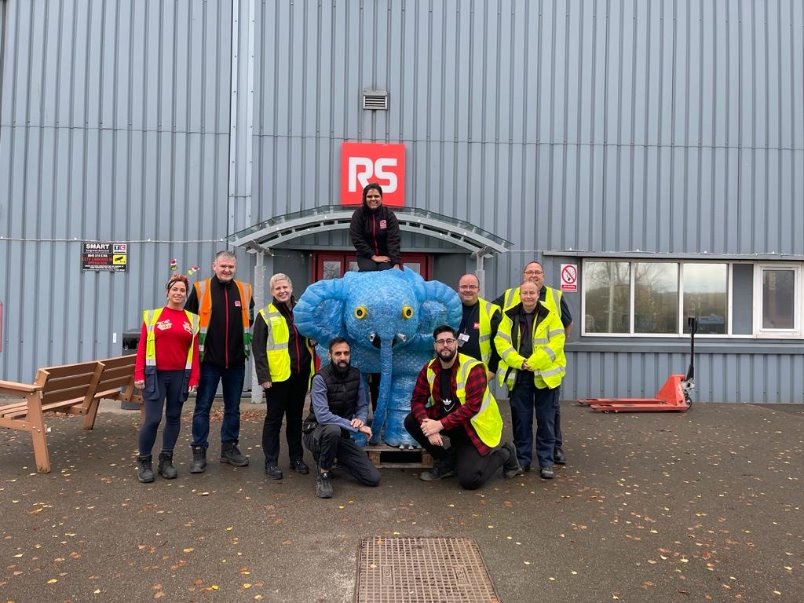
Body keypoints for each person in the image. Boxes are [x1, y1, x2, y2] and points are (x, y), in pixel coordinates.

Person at [404, 325, 523, 490]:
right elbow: (417, 400)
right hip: (451, 422)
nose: (445, 345)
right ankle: (446, 462)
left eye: (449, 341)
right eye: (441, 342)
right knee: (412, 421)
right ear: (435, 346)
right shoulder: (429, 368)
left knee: (469, 480)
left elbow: (471, 408)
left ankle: (506, 453)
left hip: (475, 428)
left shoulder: (473, 368)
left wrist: (438, 425)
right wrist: (427, 425)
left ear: (456, 344)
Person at [494, 260, 572, 465]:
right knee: (521, 419)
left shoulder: (555, 298)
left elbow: (564, 329)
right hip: (519, 372)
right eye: (530, 272)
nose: (533, 275)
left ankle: (551, 455)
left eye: (538, 272)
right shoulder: (509, 298)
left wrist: (542, 358)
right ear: (523, 277)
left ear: (542, 280)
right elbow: (495, 324)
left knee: (548, 417)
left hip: (546, 370)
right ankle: (523, 460)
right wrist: (519, 361)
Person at [185, 250, 254, 473]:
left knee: (233, 408)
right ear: (214, 266)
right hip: (208, 362)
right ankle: (199, 452)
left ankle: (229, 449)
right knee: (202, 407)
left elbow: (248, 319)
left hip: (235, 362)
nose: (226, 270)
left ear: (235, 268)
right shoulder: (200, 289)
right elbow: (188, 322)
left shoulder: (244, 290)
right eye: (223, 266)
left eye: (230, 267)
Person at [134, 274, 200, 483]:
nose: (178, 293)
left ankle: (166, 460)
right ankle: (144, 462)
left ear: (185, 294)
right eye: (175, 289)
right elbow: (142, 347)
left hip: (180, 376)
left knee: (173, 417)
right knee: (152, 419)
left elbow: (195, 352)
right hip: (155, 375)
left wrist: (193, 378)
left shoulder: (193, 319)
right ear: (167, 291)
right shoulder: (152, 317)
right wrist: (139, 373)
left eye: (182, 290)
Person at [253, 273, 314, 480]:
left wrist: (313, 340)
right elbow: (258, 348)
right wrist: (263, 376)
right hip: (277, 377)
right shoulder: (265, 314)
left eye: (285, 287)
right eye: (277, 288)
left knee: (295, 419)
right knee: (274, 420)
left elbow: (310, 335)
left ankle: (296, 458)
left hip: (300, 373)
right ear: (272, 291)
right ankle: (271, 461)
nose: (282, 291)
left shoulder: (301, 310)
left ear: (291, 287)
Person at [302, 338, 380, 499]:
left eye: (346, 353)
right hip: (316, 433)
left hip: (341, 435)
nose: (342, 357)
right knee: (332, 429)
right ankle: (323, 473)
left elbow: (362, 405)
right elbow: (323, 416)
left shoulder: (356, 375)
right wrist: (356, 427)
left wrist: (360, 419)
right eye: (338, 353)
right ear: (330, 355)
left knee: (372, 478)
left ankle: (334, 457)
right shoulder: (319, 379)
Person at [456, 273, 502, 379]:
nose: (468, 290)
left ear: (478, 289)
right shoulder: (450, 308)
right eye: (464, 286)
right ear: (458, 288)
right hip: (451, 370)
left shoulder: (491, 311)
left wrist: (492, 370)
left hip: (479, 372)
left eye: (472, 287)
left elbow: (498, 344)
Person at [349, 183, 402, 272]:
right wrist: (373, 256)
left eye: (376, 196)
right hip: (366, 256)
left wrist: (396, 263)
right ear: (365, 198)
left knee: (386, 271)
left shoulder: (388, 214)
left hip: (386, 256)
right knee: (369, 269)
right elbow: (356, 238)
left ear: (381, 197)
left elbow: (394, 239)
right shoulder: (358, 214)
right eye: (369, 196)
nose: (373, 199)